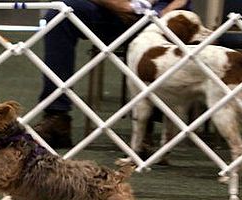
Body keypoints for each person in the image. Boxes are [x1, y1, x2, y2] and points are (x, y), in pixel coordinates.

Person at [34, 0, 192, 148]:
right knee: (59, 16)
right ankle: (56, 118)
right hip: (107, 9)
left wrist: (165, 16)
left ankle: (146, 126)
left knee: (174, 25)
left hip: (161, 11)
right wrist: (118, 5)